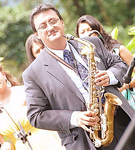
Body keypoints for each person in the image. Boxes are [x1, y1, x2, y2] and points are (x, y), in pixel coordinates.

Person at [22, 4, 135, 150]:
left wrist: (110, 75)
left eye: (53, 21)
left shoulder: (91, 43)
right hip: (86, 139)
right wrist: (74, 118)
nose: (50, 27)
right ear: (37, 34)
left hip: (123, 122)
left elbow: (119, 63)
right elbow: (36, 116)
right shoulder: (32, 73)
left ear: (62, 22)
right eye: (42, 25)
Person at [0, 61, 65, 150]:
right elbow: (1, 143)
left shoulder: (26, 92)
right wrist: (6, 145)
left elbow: (51, 114)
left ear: (3, 75)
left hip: (49, 142)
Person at [75, 15, 135, 92]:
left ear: (99, 30)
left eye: (90, 30)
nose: (87, 34)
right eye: (82, 32)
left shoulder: (118, 49)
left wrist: (123, 87)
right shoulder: (81, 58)